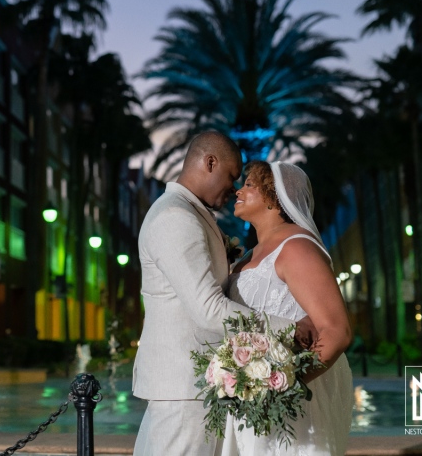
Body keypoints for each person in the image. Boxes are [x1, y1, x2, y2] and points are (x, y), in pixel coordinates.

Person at [132, 132, 317, 456]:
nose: (234, 188)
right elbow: (208, 309)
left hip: (192, 387)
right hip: (184, 390)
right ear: (209, 162)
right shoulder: (176, 217)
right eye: (232, 176)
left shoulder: (187, 213)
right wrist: (289, 327)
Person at [222, 161, 353, 456]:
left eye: (250, 185)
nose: (238, 191)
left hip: (288, 398)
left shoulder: (296, 248)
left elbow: (336, 330)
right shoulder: (250, 254)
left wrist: (281, 388)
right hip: (247, 393)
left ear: (274, 197)